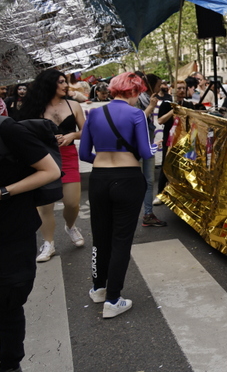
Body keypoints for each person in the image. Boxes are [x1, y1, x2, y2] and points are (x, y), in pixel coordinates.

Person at [79, 72, 157, 318]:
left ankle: (98, 288)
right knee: (121, 239)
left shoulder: (94, 114)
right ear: (133, 91)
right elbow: (145, 152)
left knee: (100, 236)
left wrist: (102, 160)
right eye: (138, 93)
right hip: (128, 179)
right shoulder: (136, 114)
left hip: (99, 178)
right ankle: (113, 299)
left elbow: (84, 153)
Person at [0, 115, 61, 372]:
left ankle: (10, 365)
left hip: (10, 234)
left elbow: (50, 170)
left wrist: (1, 193)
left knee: (8, 301)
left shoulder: (3, 129)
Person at [20, 69, 86, 262]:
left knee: (72, 203)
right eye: (61, 82)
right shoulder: (34, 108)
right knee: (45, 206)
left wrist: (72, 135)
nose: (66, 85)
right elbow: (23, 133)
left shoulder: (73, 105)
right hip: (43, 159)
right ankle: (48, 243)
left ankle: (70, 226)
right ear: (49, 84)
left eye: (65, 81)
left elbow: (86, 130)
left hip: (68, 156)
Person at [135, 72, 166, 227]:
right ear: (150, 85)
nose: (160, 88)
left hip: (148, 142)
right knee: (136, 180)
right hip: (139, 144)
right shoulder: (137, 100)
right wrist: (151, 106)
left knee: (149, 179)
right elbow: (137, 120)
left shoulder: (148, 99)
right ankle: (131, 214)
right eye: (158, 85)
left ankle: (148, 214)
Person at [155, 80, 195, 197]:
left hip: (185, 140)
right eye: (179, 88)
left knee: (185, 166)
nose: (182, 91)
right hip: (170, 140)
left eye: (184, 88)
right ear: (172, 90)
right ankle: (161, 193)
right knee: (166, 165)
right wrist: (173, 110)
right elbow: (160, 120)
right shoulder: (166, 104)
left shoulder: (188, 104)